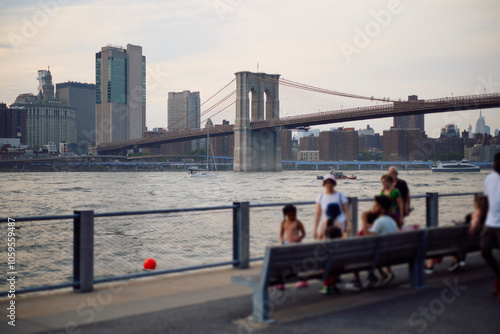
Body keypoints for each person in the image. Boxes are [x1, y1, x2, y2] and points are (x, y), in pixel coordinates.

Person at [425, 194, 484, 274]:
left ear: (476, 203)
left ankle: (430, 266)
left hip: (464, 242)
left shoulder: (471, 216)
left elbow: (471, 229)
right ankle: (457, 260)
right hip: (481, 240)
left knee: (440, 241)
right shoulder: (490, 218)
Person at [477, 152, 500, 300]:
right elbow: (485, 201)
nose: (495, 164)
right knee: (485, 251)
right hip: (490, 223)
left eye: (498, 162)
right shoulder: (489, 178)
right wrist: (481, 221)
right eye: (495, 162)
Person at [363, 195, 398, 286]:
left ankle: (369, 277)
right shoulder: (391, 220)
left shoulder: (379, 222)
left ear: (382, 209)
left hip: (382, 254)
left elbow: (369, 239)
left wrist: (364, 222)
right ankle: (384, 274)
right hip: (392, 251)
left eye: (376, 205)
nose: (373, 207)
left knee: (366, 252)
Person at [276, 204, 307, 290]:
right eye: (290, 215)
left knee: (295, 263)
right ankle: (281, 282)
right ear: (285, 215)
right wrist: (282, 240)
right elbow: (281, 234)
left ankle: (302, 280)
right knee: (284, 263)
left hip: (296, 245)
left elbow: (303, 233)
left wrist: (298, 238)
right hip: (287, 244)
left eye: (293, 215)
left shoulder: (297, 222)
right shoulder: (284, 223)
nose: (292, 216)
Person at [314, 174, 351, 240]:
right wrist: (315, 229)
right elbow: (318, 214)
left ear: (334, 184)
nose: (329, 185)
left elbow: (346, 211)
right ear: (324, 184)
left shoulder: (340, 195)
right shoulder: (320, 197)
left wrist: (348, 225)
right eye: (327, 183)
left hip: (340, 225)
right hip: (326, 225)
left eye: (331, 182)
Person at [320, 203, 343, 295]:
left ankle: (325, 286)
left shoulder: (323, 223)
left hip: (324, 256)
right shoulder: (339, 224)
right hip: (337, 256)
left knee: (327, 264)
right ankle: (333, 285)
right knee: (333, 263)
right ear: (338, 213)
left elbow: (320, 238)